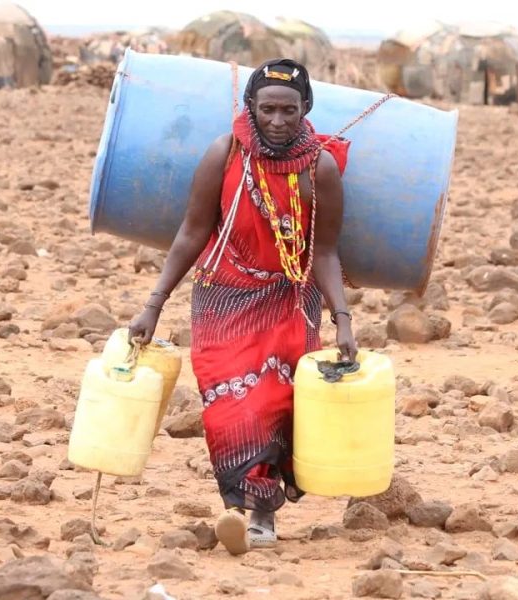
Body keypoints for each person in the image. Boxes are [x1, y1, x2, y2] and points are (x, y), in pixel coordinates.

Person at [129, 58, 356, 555]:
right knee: (231, 405)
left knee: (274, 402)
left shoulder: (320, 167)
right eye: (268, 109)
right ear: (250, 107)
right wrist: (153, 304)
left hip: (289, 296)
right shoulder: (225, 153)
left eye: (289, 111)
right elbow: (192, 232)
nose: (277, 121)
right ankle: (250, 498)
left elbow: (325, 251)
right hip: (223, 296)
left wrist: (342, 320)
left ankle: (261, 515)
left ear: (306, 110)